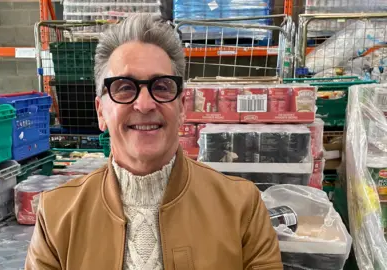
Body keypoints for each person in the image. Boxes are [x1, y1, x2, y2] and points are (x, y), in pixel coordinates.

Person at [25, 14, 282, 270]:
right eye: (124, 87)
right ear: (101, 112)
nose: (145, 104)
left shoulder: (242, 208)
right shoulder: (57, 216)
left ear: (182, 107)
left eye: (161, 86)